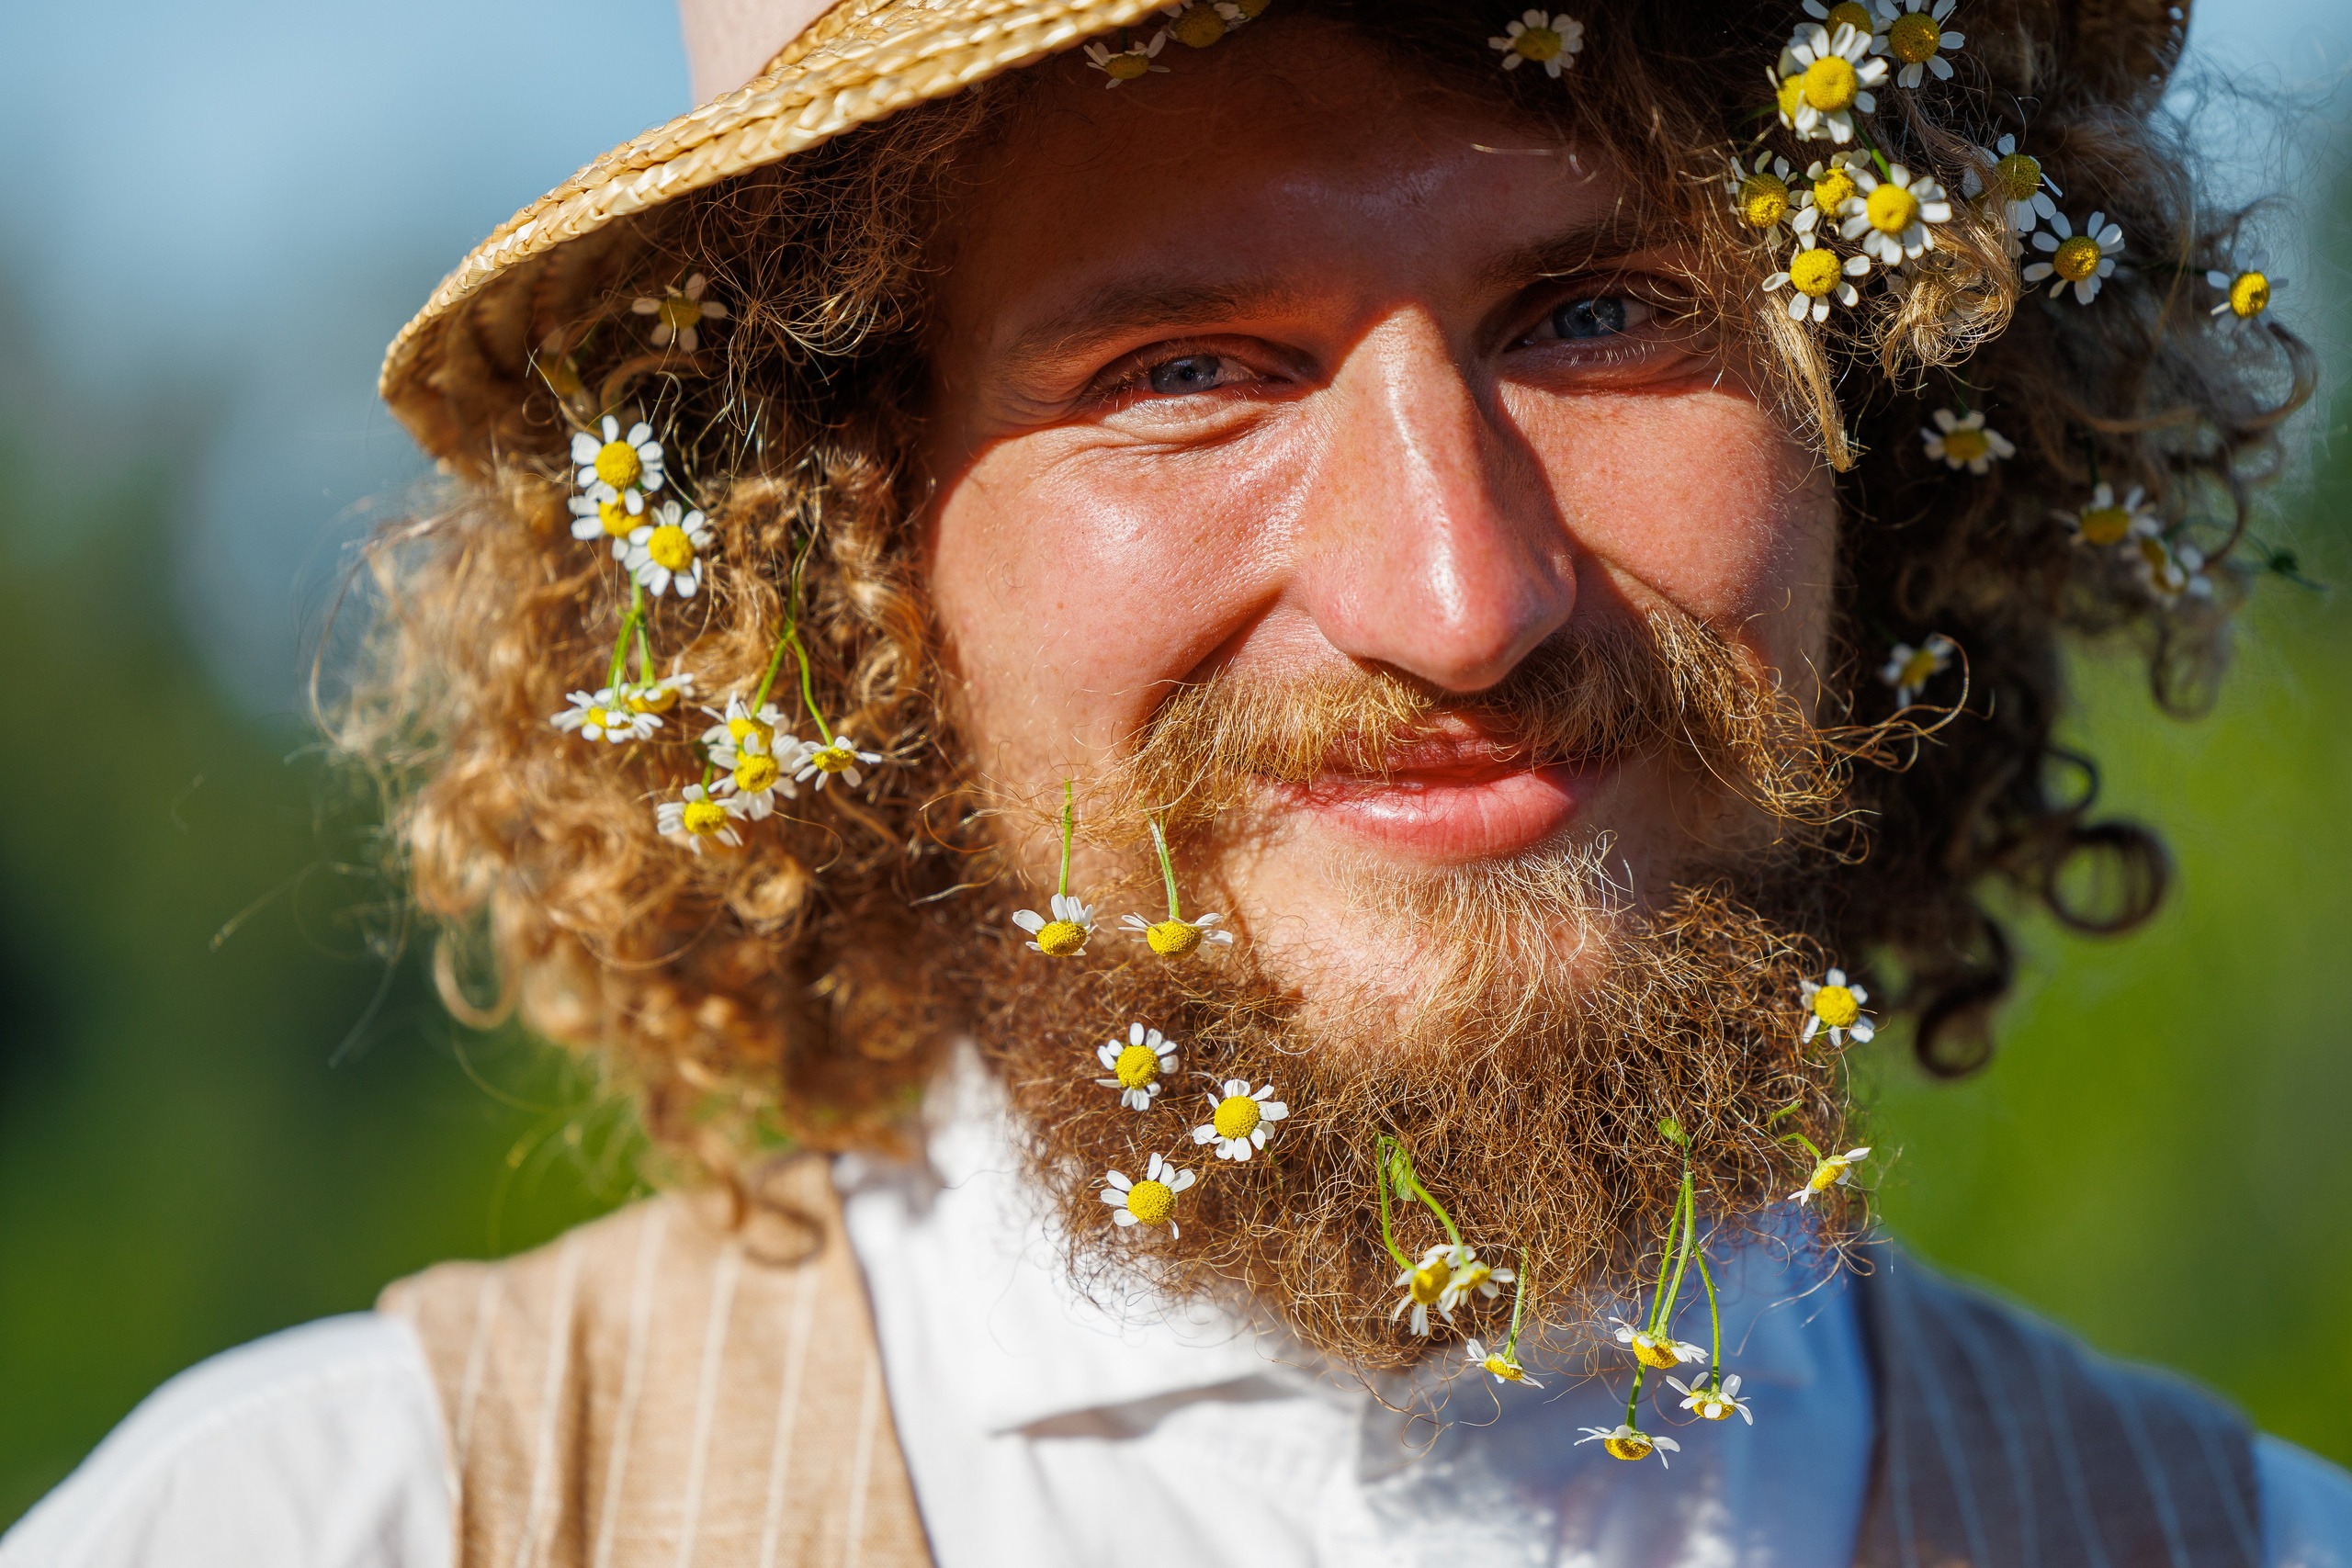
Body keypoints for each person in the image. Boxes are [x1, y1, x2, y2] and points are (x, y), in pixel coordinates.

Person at [6, 0, 2346, 1563]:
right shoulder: (338, 1524)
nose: (1459, 595)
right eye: (1185, 367)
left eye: (1597, 313)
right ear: (843, 545)